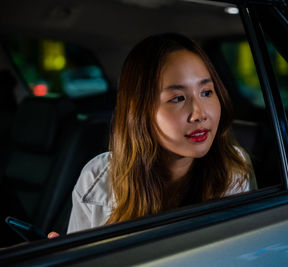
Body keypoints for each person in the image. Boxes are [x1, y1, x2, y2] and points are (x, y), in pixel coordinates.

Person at [56, 33, 256, 236]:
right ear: (140, 111)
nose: (199, 114)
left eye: (206, 92)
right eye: (177, 98)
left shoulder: (234, 169)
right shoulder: (97, 178)